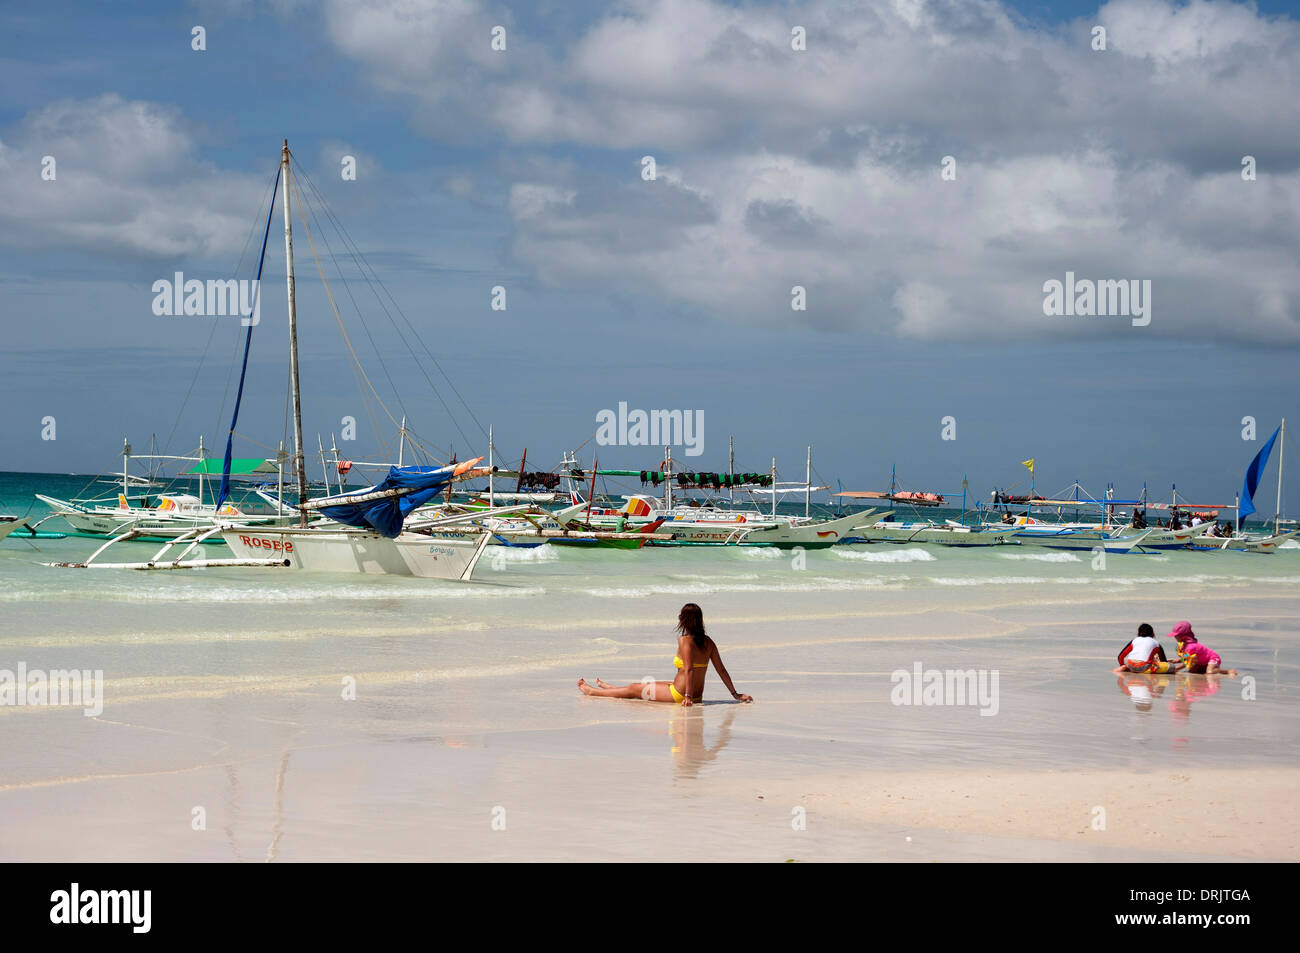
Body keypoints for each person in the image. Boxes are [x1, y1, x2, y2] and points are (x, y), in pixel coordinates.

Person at [578, 603, 753, 705]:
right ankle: (612, 688)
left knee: (633, 689)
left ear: (684, 620)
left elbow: (690, 669)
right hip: (695, 694)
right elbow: (721, 670)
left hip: (681, 694)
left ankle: (592, 692)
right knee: (644, 684)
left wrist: (687, 697)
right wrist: (735, 694)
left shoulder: (685, 641)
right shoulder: (708, 642)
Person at [1170, 621, 1238, 676]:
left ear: (1183, 636)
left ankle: (1228, 671)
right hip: (1202, 662)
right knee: (1192, 671)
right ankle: (1206, 667)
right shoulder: (1184, 645)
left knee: (1210, 672)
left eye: (1176, 635)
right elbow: (1186, 657)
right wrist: (1177, 661)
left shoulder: (1191, 647)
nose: (1175, 637)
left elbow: (1186, 662)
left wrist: (1175, 669)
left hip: (1213, 658)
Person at [1113, 623, 1181, 674]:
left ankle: (1125, 668)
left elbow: (1120, 656)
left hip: (1131, 665)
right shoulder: (1156, 643)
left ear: (1138, 633)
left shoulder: (1134, 640)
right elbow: (1163, 662)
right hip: (1144, 668)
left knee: (1133, 663)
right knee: (1171, 666)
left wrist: (1122, 664)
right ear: (1153, 634)